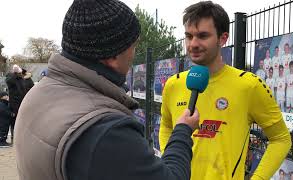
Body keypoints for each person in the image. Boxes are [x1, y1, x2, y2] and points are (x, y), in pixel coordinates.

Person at [14, 0, 200, 180]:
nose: (133, 55)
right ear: (112, 55)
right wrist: (183, 130)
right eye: (133, 47)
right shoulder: (107, 132)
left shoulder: (37, 93)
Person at [159, 2, 291, 180]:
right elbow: (166, 126)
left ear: (223, 38)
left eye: (203, 36)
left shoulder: (249, 86)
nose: (193, 44)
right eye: (189, 36)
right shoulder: (173, 84)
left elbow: (281, 139)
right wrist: (170, 165)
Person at [5, 64, 27, 140]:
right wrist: (14, 73)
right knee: (14, 120)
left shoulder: (21, 79)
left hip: (22, 102)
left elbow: (23, 90)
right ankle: (14, 136)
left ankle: (19, 135)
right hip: (14, 103)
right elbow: (9, 81)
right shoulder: (11, 78)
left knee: (21, 120)